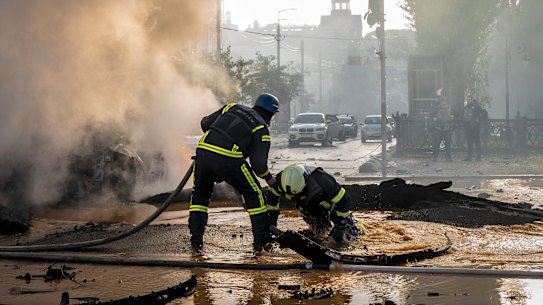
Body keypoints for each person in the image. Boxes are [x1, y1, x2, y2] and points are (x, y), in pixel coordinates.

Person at [189, 93, 279, 254]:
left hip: (202, 152)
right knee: (255, 195)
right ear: (271, 114)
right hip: (229, 158)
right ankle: (261, 244)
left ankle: (196, 242)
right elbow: (258, 166)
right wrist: (269, 178)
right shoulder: (261, 128)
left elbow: (205, 123)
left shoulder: (232, 107)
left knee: (200, 196)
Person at [266, 164, 363, 244]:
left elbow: (344, 199)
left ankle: (355, 228)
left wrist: (341, 225)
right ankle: (317, 234)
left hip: (329, 205)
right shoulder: (281, 181)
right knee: (318, 233)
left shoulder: (323, 181)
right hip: (309, 207)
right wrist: (272, 223)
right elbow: (272, 202)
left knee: (342, 238)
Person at [431, 97, 453, 161]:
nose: (444, 104)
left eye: (445, 103)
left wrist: (453, 117)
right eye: (442, 103)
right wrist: (434, 119)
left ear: (447, 103)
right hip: (439, 128)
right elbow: (431, 116)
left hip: (447, 128)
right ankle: (434, 156)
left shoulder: (450, 109)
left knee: (448, 143)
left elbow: (457, 115)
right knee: (437, 143)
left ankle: (448, 157)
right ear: (440, 103)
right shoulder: (436, 109)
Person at [462, 95, 483, 161]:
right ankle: (469, 157)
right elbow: (463, 115)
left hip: (475, 128)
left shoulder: (477, 107)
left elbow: (483, 115)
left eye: (469, 99)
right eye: (467, 99)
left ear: (472, 100)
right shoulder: (465, 107)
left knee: (477, 142)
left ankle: (478, 157)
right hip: (468, 128)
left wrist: (478, 120)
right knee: (469, 143)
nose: (468, 101)